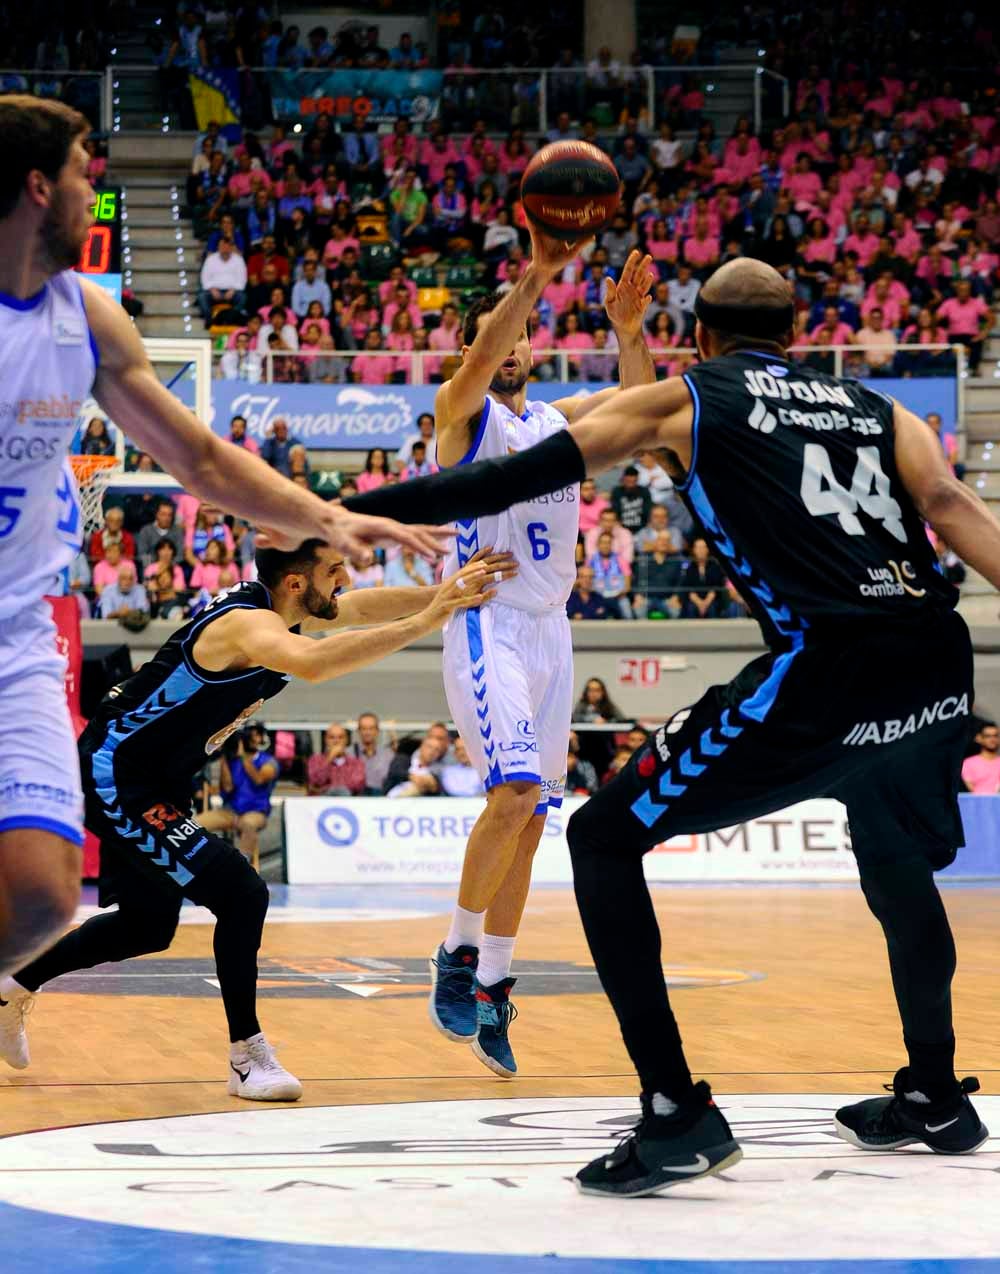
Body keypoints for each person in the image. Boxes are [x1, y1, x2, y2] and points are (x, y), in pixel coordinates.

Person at [468, 255, 992, 1191]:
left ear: (702, 337)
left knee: (602, 836)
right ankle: (937, 1094)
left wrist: (629, 344)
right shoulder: (875, 408)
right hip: (929, 659)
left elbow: (646, 434)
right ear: (795, 330)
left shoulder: (700, 396)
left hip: (826, 672)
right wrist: (632, 342)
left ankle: (675, 1115)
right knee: (894, 858)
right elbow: (950, 506)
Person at [0, 95, 449, 984]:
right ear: (38, 184)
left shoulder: (86, 316)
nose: (98, 192)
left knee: (45, 898)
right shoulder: (251, 623)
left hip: (17, 638)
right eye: (88, 173)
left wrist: (327, 517)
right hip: (129, 761)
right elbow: (325, 653)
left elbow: (199, 456)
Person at [0, 540, 513, 1095]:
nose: (346, 580)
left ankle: (12, 986)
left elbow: (363, 608)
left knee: (147, 926)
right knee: (243, 893)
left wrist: (447, 593)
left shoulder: (286, 613)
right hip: (116, 773)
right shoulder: (247, 625)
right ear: (296, 584)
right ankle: (247, 1056)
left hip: (161, 776)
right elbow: (317, 665)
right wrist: (431, 619)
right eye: (334, 572)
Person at [429, 237, 656, 1077]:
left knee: (533, 822)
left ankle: (494, 980)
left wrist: (628, 329)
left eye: (526, 332)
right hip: (490, 621)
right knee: (514, 789)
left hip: (554, 629)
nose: (515, 343)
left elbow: (644, 405)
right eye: (499, 334)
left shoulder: (558, 420)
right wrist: (534, 277)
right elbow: (482, 356)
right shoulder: (463, 415)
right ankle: (454, 956)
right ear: (477, 346)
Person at [199, 724, 278, 868]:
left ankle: (241, 865)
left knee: (248, 825)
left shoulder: (268, 761)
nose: (251, 739)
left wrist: (243, 757)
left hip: (255, 811)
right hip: (230, 811)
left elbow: (259, 779)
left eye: (255, 735)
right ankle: (199, 863)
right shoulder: (232, 761)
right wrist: (223, 757)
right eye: (250, 735)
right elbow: (228, 787)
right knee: (195, 824)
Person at [306, 724, 367, 797]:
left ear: (346, 740)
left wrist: (325, 788)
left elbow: (357, 786)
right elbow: (316, 782)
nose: (336, 741)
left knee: (342, 792)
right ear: (326, 740)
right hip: (321, 803)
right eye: (332, 737)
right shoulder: (315, 760)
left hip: (348, 804)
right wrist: (329, 758)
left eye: (340, 737)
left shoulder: (356, 763)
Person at [350, 711, 394, 794]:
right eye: (364, 728)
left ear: (377, 731)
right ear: (358, 731)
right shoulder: (348, 753)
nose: (367, 732)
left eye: (371, 728)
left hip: (381, 799)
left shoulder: (388, 754)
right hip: (355, 800)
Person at [961, 722, 1000, 794]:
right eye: (988, 736)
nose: (992, 739)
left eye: (995, 736)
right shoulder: (968, 763)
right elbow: (973, 790)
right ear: (978, 738)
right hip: (978, 803)